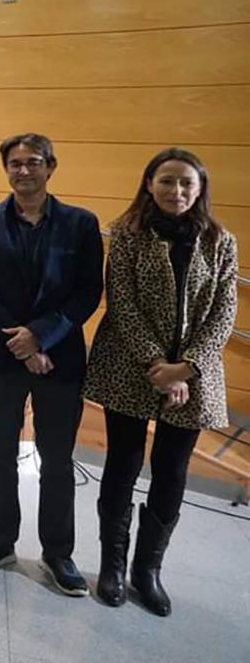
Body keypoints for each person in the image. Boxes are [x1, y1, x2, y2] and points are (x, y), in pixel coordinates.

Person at [84, 148, 238, 616]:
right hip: (130, 367)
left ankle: (146, 571)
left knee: (172, 472)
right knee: (123, 464)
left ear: (200, 188)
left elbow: (224, 311)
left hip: (194, 376)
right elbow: (123, 303)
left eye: (186, 183)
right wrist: (158, 365)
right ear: (149, 183)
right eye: (167, 181)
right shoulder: (128, 234)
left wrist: (185, 368)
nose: (177, 191)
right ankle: (112, 566)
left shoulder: (220, 240)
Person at [0, 133, 103, 596]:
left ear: (51, 166)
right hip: (1, 356)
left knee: (58, 460)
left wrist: (42, 336)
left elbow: (87, 292)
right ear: (6, 169)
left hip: (59, 359)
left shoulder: (81, 224)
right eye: (15, 163)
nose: (24, 170)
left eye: (33, 162)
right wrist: (23, 343)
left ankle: (58, 553)